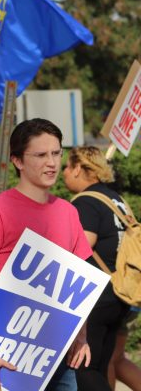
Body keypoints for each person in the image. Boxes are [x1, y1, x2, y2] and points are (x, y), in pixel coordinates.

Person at [0, 118, 92, 391]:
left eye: (57, 153)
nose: (52, 162)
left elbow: (79, 283)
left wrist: (81, 336)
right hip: (10, 354)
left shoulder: (69, 212)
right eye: (41, 155)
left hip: (58, 356)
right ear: (18, 161)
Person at [63, 146, 131, 390]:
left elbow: (82, 245)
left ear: (79, 168)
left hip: (96, 297)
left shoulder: (86, 202)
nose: (64, 172)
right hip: (119, 293)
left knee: (84, 368)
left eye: (68, 167)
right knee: (100, 364)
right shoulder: (115, 199)